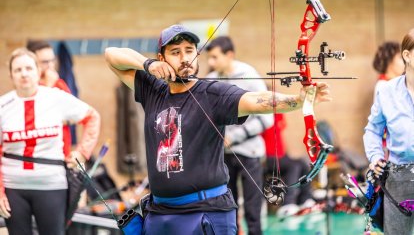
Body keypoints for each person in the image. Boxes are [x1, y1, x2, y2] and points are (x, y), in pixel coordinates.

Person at [105, 24, 331, 234]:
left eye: (189, 50)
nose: (185, 58)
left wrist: (299, 100)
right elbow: (112, 55)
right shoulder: (153, 91)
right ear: (162, 58)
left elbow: (257, 100)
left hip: (206, 212)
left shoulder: (213, 94)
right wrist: (148, 65)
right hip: (161, 213)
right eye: (175, 52)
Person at [0, 48, 100, 235]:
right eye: (18, 70)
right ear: (11, 75)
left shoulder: (56, 98)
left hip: (52, 185)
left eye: (29, 68)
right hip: (13, 187)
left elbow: (92, 117)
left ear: (38, 71)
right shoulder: (2, 106)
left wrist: (81, 152)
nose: (24, 74)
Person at [205, 36, 273, 235]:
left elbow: (267, 118)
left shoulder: (249, 75)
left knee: (252, 206)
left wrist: (236, 136)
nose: (211, 62)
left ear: (230, 55)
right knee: (228, 204)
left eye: (215, 57)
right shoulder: (211, 79)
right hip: (223, 154)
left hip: (250, 151)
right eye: (210, 58)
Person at [363, 28, 414, 235]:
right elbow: (372, 130)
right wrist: (375, 157)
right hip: (398, 176)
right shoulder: (386, 91)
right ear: (407, 55)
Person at [26, 40, 73, 158]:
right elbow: (33, 120)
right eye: (45, 62)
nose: (51, 66)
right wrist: (49, 86)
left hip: (62, 153)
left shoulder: (60, 84)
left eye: (53, 60)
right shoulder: (26, 87)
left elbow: (72, 116)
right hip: (38, 157)